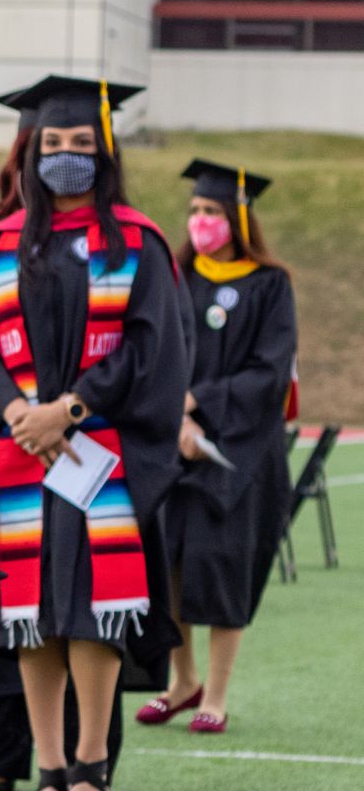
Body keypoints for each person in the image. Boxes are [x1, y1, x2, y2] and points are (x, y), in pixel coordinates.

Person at [0, 76, 188, 791]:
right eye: (52, 144)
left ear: (105, 150)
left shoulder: (137, 241)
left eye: (81, 145)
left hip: (103, 455)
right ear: (31, 150)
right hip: (25, 452)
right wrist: (17, 410)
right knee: (31, 618)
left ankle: (91, 766)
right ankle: (49, 769)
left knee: (94, 612)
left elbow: (152, 348)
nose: (65, 157)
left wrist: (72, 408)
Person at [146, 160, 297, 735]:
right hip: (173, 444)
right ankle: (181, 682)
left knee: (223, 569)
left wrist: (198, 404)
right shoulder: (178, 277)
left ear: (238, 217)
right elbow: (157, 350)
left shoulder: (270, 284)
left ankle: (218, 694)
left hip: (243, 454)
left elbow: (270, 373)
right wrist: (171, 413)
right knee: (175, 567)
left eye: (211, 211)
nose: (200, 220)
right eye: (195, 211)